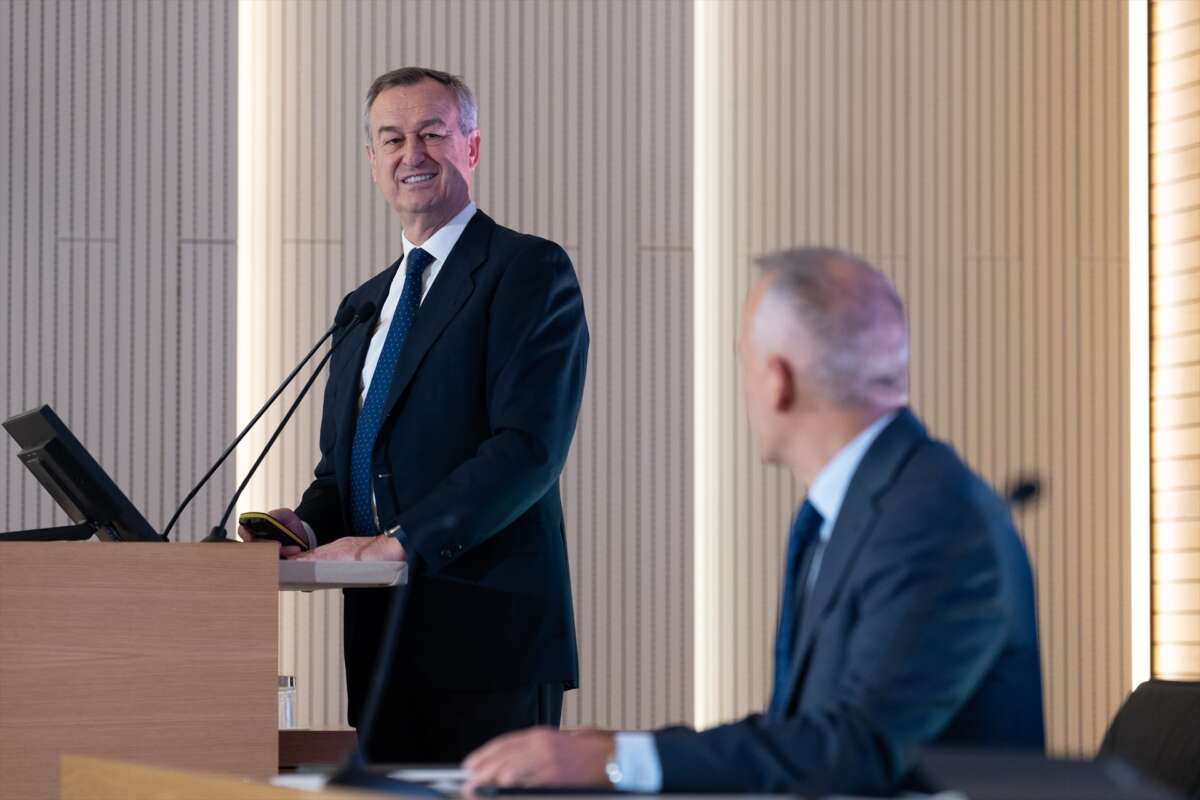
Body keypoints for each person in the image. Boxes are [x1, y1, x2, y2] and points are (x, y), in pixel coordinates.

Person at [464, 248, 1043, 795]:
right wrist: (621, 747)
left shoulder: (934, 519)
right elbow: (801, 731)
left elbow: (855, 749)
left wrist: (619, 762)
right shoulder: (865, 504)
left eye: (742, 361)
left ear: (779, 380)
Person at [240, 67, 589, 763]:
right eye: (392, 139)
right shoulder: (363, 305)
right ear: (372, 163)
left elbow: (527, 449)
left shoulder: (525, 270)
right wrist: (305, 524)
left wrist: (399, 542)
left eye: (433, 133)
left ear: (472, 147)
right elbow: (346, 470)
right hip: (381, 644)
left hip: (488, 642)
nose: (413, 154)